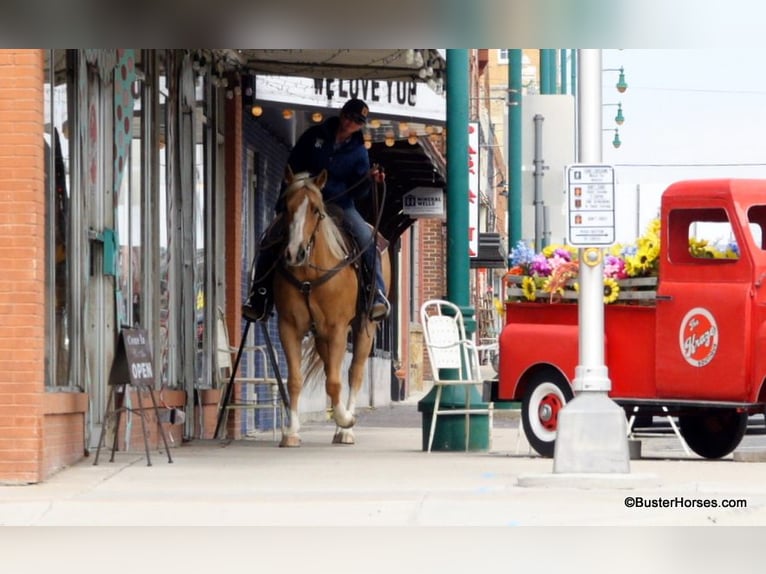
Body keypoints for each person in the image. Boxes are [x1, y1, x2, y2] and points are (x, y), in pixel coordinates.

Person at [242, 98, 390, 323]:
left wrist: (370, 181)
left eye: (358, 121)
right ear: (342, 114)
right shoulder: (314, 136)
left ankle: (376, 294)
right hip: (304, 200)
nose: (351, 123)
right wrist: (285, 205)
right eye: (350, 117)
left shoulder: (359, 151)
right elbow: (292, 167)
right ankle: (259, 296)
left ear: (361, 125)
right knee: (270, 237)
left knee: (367, 240)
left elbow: (360, 191)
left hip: (339, 205)